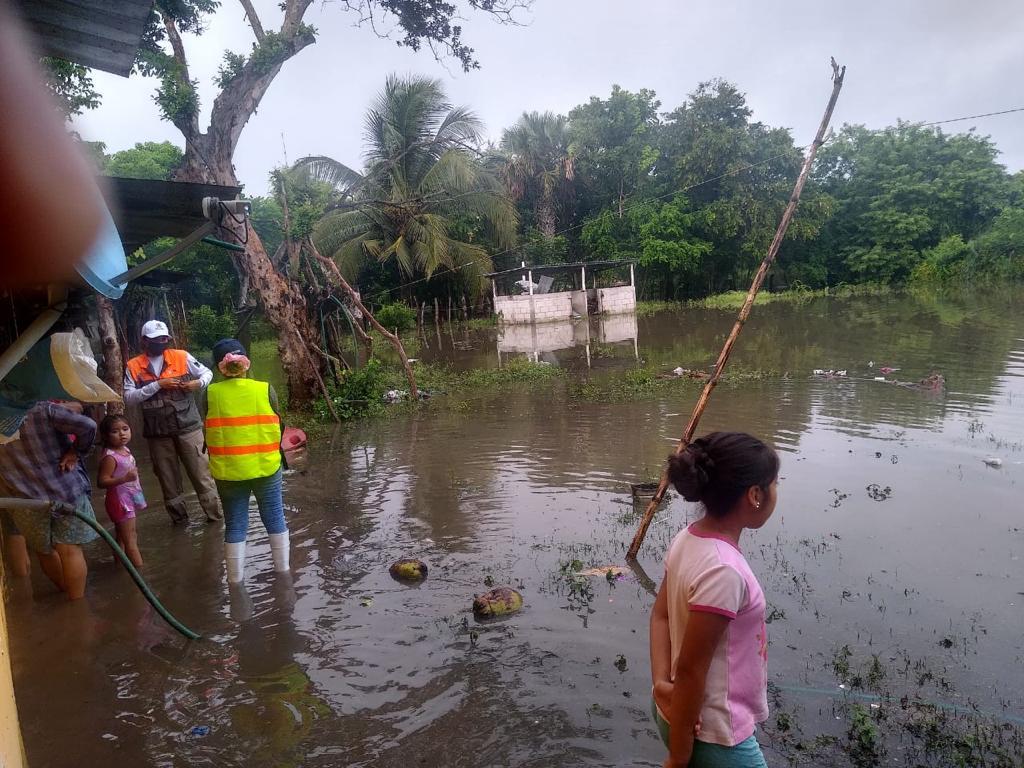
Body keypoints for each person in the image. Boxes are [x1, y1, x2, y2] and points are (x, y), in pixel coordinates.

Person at [649, 432, 779, 768]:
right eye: (774, 484)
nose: (776, 493)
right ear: (755, 495)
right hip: (712, 734)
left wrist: (661, 683)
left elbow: (660, 617)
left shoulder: (687, 538)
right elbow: (692, 671)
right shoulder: (724, 570)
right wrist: (678, 758)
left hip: (675, 713)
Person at [204, 339, 289, 583]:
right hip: (266, 466)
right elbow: (277, 420)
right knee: (274, 516)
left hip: (227, 470)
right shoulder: (265, 389)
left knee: (235, 524)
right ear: (246, 363)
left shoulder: (209, 394)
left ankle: (235, 584)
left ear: (217, 367)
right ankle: (284, 578)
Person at [123, 320, 222, 524]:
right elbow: (129, 397)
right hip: (157, 433)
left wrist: (198, 383)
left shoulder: (181, 356)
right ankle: (180, 522)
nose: (162, 342)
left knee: (202, 475)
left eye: (164, 339)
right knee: (168, 481)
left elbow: (207, 373)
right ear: (145, 341)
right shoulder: (133, 366)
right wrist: (158, 385)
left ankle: (216, 519)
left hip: (189, 427)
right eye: (157, 340)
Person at [0, 401, 101, 599]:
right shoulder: (42, 409)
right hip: (65, 490)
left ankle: (69, 606)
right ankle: (77, 606)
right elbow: (88, 426)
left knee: (44, 551)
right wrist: (75, 452)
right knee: (70, 550)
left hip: (25, 501)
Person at [96, 414, 146, 568]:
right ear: (106, 435)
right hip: (120, 502)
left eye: (125, 429)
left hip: (128, 497)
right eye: (115, 431)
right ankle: (142, 574)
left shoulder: (124, 449)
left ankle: (119, 567)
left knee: (122, 536)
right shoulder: (110, 457)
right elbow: (102, 481)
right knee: (131, 539)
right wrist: (124, 479)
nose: (122, 434)